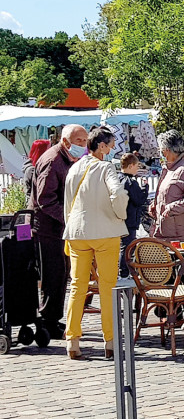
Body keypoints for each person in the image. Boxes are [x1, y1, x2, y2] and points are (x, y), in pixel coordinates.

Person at [62, 126, 129, 360]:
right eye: (110, 145)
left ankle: (73, 340)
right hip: (105, 232)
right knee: (107, 287)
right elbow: (118, 194)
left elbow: (67, 202)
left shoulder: (75, 167)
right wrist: (120, 215)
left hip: (77, 231)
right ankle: (109, 340)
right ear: (101, 146)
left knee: (77, 287)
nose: (111, 150)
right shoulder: (105, 167)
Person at [30, 124, 89, 337]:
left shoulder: (67, 158)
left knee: (61, 275)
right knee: (53, 275)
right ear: (65, 142)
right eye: (79, 141)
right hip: (47, 228)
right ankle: (48, 321)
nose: (83, 145)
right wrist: (69, 218)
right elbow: (45, 200)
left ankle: (53, 319)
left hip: (60, 228)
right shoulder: (53, 161)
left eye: (85, 141)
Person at [150, 130, 184, 244]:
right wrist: (156, 205)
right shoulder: (170, 167)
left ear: (167, 150)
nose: (161, 154)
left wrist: (170, 208)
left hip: (181, 236)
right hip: (167, 231)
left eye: (161, 150)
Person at [118, 153, 148, 277]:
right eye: (137, 166)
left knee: (120, 246)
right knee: (127, 247)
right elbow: (139, 199)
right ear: (130, 166)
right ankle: (124, 272)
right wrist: (145, 187)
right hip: (130, 219)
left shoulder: (116, 178)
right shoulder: (131, 182)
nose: (137, 169)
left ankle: (120, 271)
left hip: (118, 218)